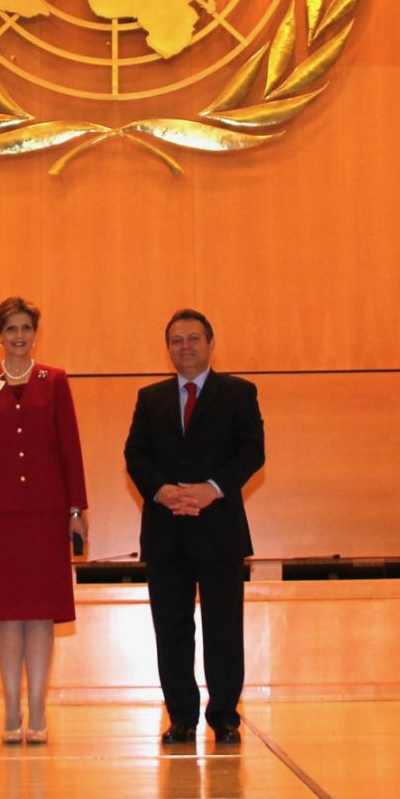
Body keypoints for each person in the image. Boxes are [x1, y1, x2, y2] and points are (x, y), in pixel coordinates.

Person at [124, 308, 265, 745]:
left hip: (220, 529)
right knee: (172, 629)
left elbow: (252, 452)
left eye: (193, 339)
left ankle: (224, 716)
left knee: (224, 628)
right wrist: (161, 491)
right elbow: (135, 455)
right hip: (165, 531)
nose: (184, 347)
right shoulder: (150, 398)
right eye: (176, 340)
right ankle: (181, 717)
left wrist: (212, 489)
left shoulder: (239, 393)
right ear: (167, 348)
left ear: (210, 344)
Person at [0, 297, 88, 745]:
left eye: (26, 328)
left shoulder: (56, 381)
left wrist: (76, 510)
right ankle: (11, 708)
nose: (18, 336)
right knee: (7, 615)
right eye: (10, 328)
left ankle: (38, 708)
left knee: (42, 614)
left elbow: (70, 447)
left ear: (35, 333)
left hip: (46, 515)